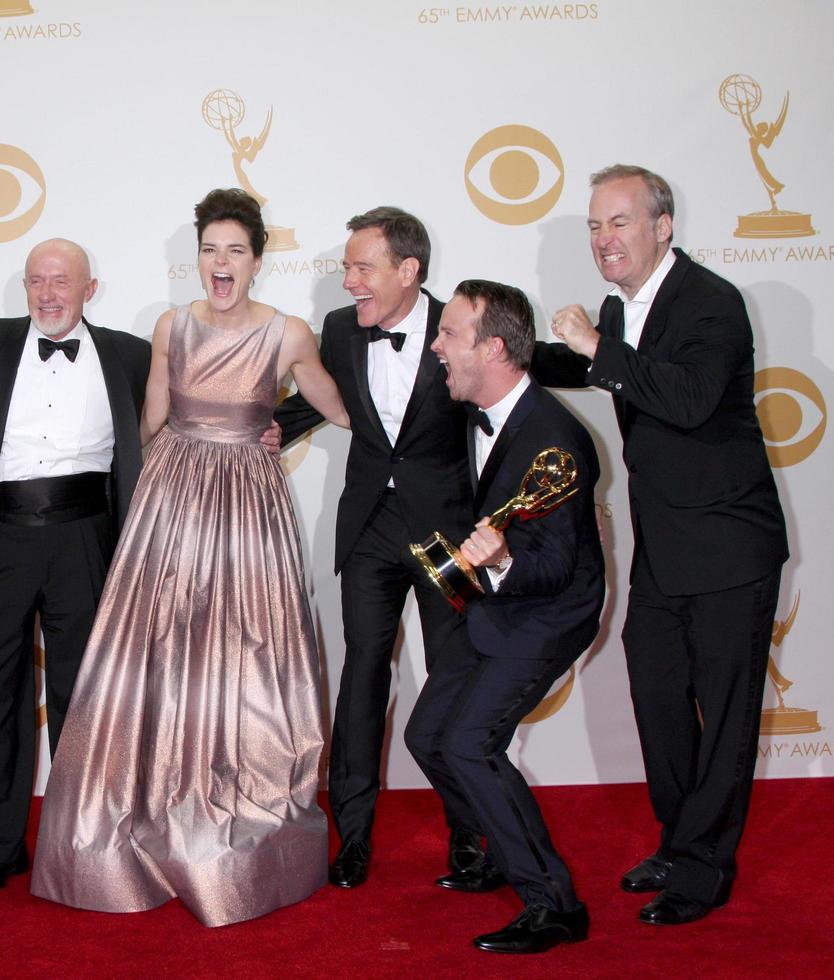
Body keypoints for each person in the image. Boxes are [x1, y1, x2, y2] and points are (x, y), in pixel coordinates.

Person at [31, 188, 351, 926]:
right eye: (210, 249)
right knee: (160, 651)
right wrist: (93, 480)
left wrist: (305, 424)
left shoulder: (289, 331)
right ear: (197, 257)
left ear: (258, 261)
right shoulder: (171, 325)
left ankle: (236, 804)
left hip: (246, 509)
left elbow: (338, 404)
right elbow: (149, 417)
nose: (221, 262)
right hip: (171, 502)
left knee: (245, 654)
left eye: (235, 250)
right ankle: (150, 798)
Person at [533, 165, 788, 925]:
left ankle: (706, 867)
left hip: (731, 549)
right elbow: (582, 367)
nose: (604, 239)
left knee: (727, 715)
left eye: (619, 222)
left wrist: (593, 345)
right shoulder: (618, 312)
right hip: (666, 550)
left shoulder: (712, 303)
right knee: (658, 704)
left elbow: (686, 397)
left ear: (663, 226)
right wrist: (499, 345)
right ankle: (681, 842)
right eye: (594, 226)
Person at [275, 207, 480, 889]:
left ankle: (471, 834)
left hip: (446, 534)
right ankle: (353, 838)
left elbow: (506, 403)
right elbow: (313, 400)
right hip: (369, 531)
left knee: (454, 677)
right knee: (363, 679)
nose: (349, 280)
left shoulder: (462, 324)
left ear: (408, 270)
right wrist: (248, 430)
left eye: (363, 267)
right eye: (347, 266)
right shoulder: (339, 328)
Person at [404, 281, 603, 953]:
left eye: (450, 334)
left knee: (469, 742)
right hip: (494, 604)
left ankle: (555, 905)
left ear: (492, 348)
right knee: (429, 735)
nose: (437, 346)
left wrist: (503, 560)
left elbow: (557, 567)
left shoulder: (556, 440)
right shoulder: (478, 408)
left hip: (549, 610)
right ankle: (498, 846)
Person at [0, 239, 150, 893]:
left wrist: (264, 426)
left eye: (61, 282)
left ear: (90, 289)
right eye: (35, 281)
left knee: (83, 700)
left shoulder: (131, 354)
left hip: (86, 538)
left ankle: (81, 842)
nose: (47, 294)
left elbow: (191, 410)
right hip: (0, 541)